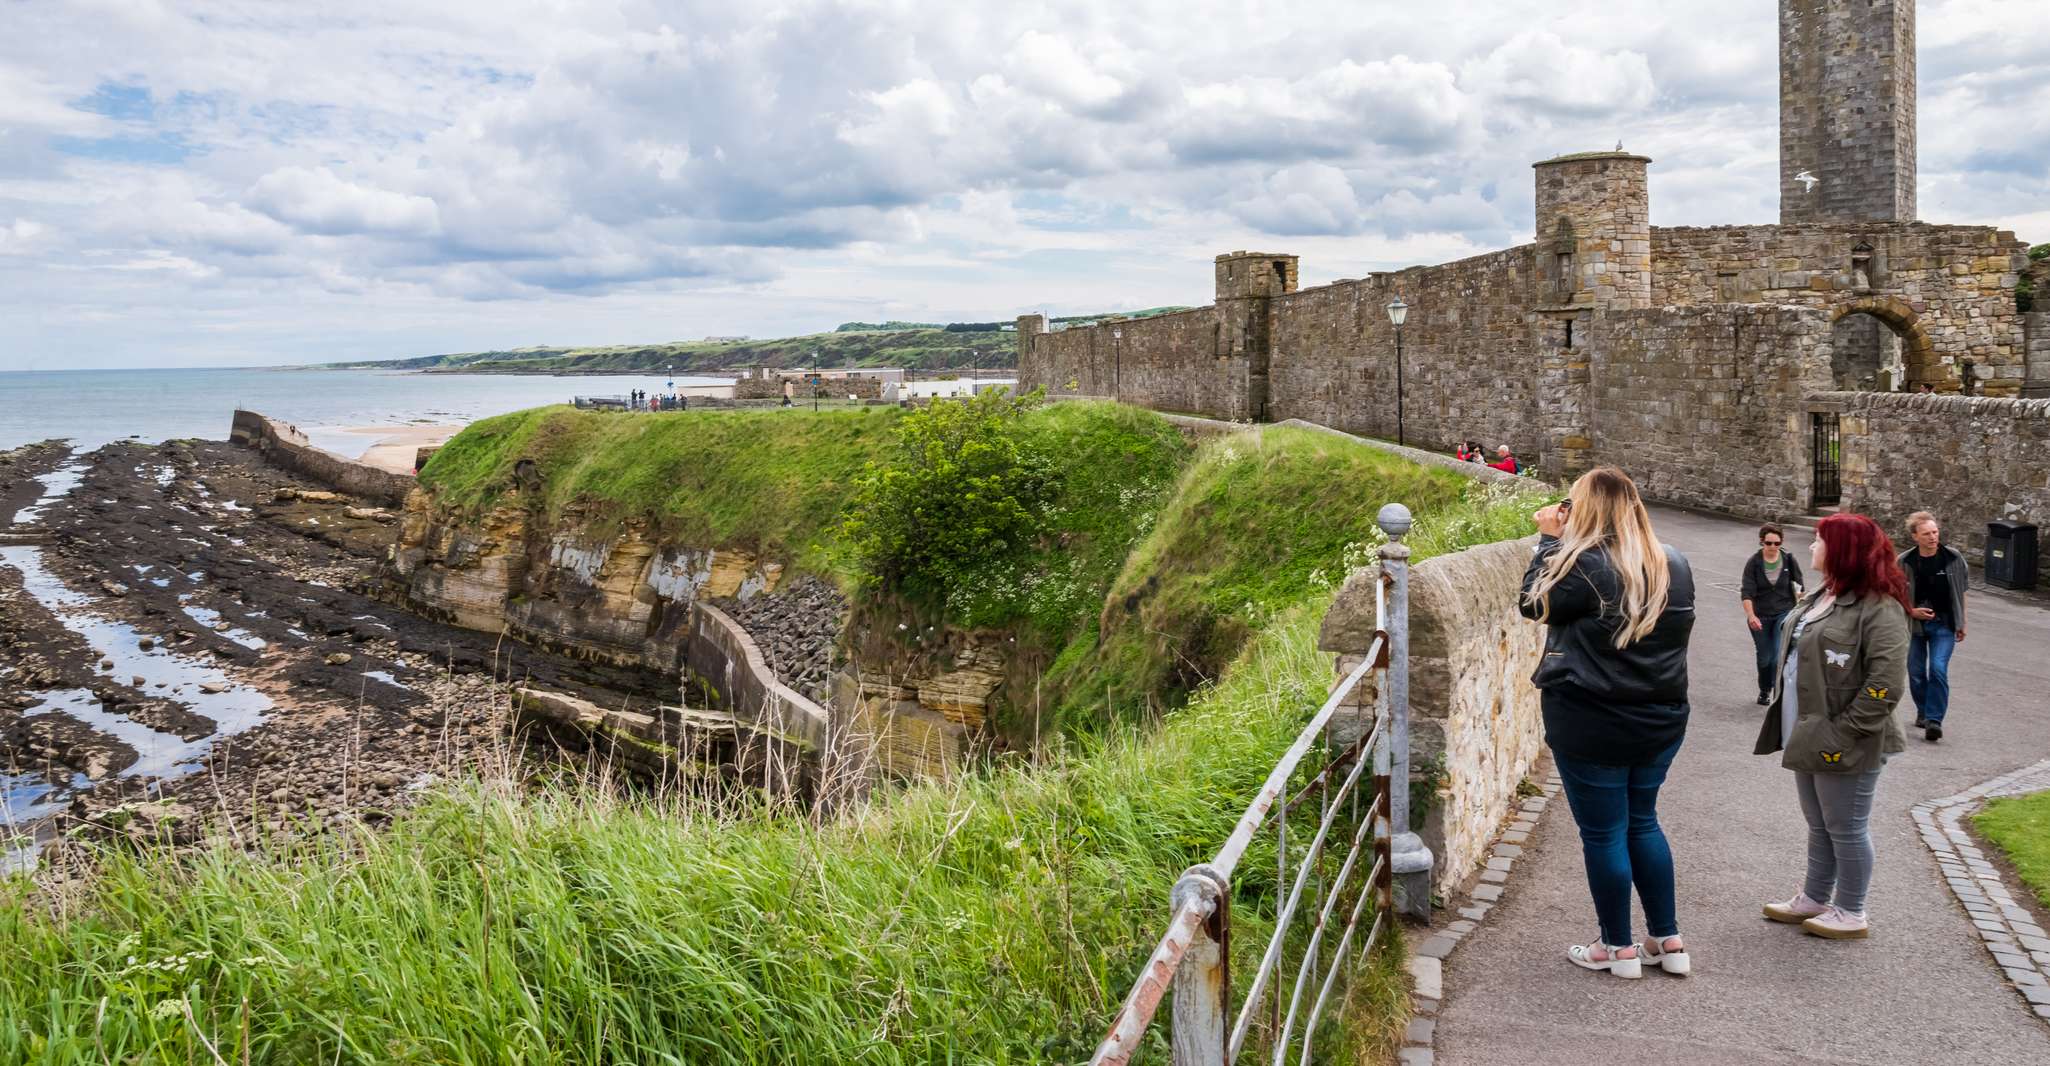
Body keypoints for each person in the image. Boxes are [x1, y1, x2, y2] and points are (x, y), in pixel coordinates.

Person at [1519, 467, 1697, 980]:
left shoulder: (1583, 566)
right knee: (1643, 820)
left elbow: (1532, 604)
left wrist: (1546, 541)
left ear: (1587, 510)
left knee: (1603, 833)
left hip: (1592, 718)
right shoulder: (1674, 564)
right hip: (1661, 717)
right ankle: (1668, 939)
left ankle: (1617, 947)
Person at [1754, 512, 1909, 939]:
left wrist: (1844, 732)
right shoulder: (1824, 593)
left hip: (1848, 737)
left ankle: (1851, 910)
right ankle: (1815, 897)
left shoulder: (1880, 607)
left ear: (1843, 550)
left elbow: (1886, 682)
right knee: (1820, 823)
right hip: (1808, 729)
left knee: (1847, 825)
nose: (1810, 547)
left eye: (1819, 540)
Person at [1898, 511, 1967, 742]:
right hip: (1914, 625)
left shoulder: (1953, 558)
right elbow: (1894, 595)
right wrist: (1911, 611)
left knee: (1937, 669)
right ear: (1915, 536)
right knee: (1916, 673)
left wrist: (1961, 621)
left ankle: (1934, 720)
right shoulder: (1904, 561)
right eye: (1926, 533)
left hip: (1943, 624)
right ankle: (1923, 710)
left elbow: (1961, 592)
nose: (1933, 537)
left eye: (1935, 532)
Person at [1741, 523, 1805, 706]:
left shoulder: (1789, 560)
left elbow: (1799, 586)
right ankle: (1764, 689)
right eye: (1768, 543)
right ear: (1762, 542)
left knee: (1777, 656)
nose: (1772, 547)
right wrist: (1751, 616)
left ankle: (1779, 691)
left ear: (1781, 542)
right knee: (1764, 658)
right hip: (1760, 615)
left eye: (1777, 543)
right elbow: (1747, 592)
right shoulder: (1754, 563)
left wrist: (1800, 603)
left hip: (1783, 613)